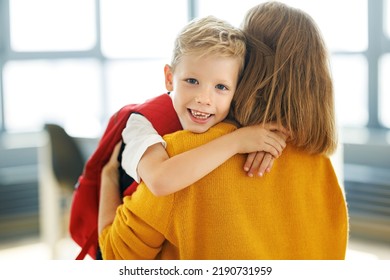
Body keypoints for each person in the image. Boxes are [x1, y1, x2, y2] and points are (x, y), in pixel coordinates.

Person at [99, 1, 348, 260]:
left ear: (247, 68)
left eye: (220, 86)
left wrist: (108, 175)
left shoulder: (185, 155)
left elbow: (116, 258)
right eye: (193, 81)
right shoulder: (322, 168)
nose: (205, 98)